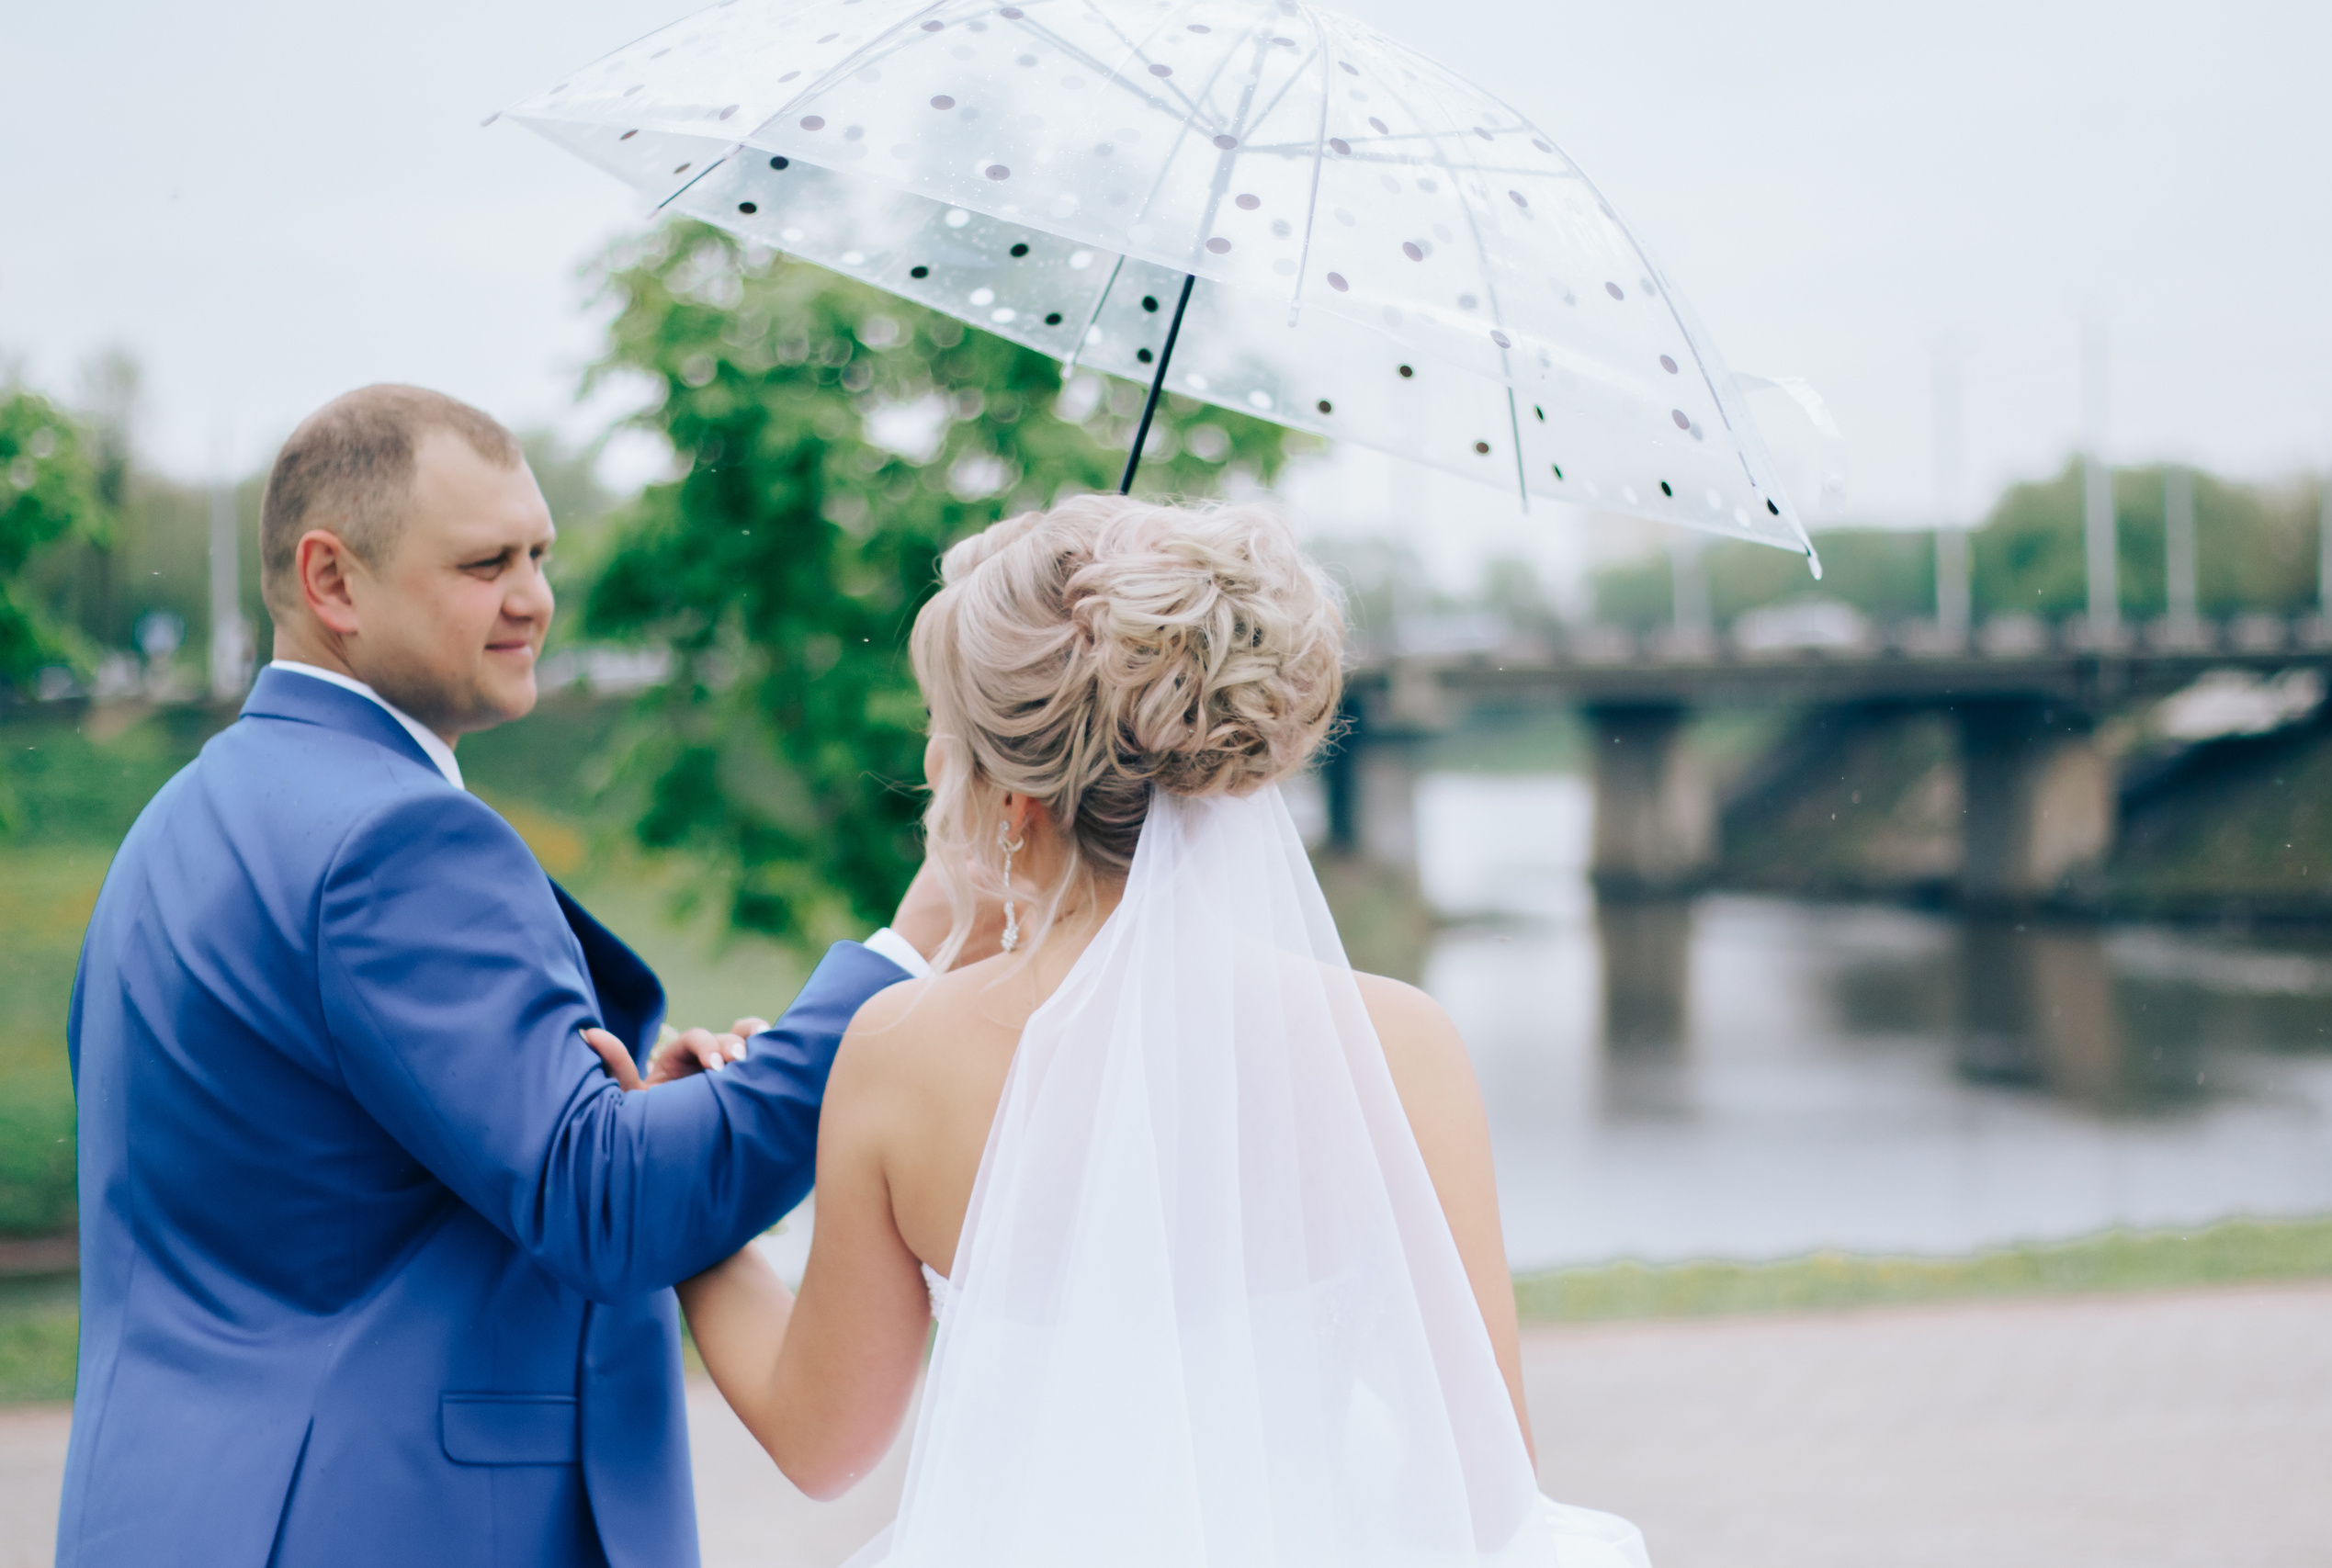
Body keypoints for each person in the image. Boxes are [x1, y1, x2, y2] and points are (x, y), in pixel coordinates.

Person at [59, 385, 943, 1568]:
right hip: (392, 1524)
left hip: (175, 1512)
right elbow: (606, 1205)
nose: (535, 598)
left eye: (539, 553)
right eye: (485, 563)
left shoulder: (176, 825)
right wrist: (907, 953)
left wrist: (660, 1113)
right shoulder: (398, 838)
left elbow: (343, 1178)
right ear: (332, 583)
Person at [674, 496, 1650, 1567]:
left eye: (942, 739)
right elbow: (1481, 1481)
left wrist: (699, 1224)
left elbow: (822, 1444)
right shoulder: (1398, 1048)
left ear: (1012, 800)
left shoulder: (899, 1055)